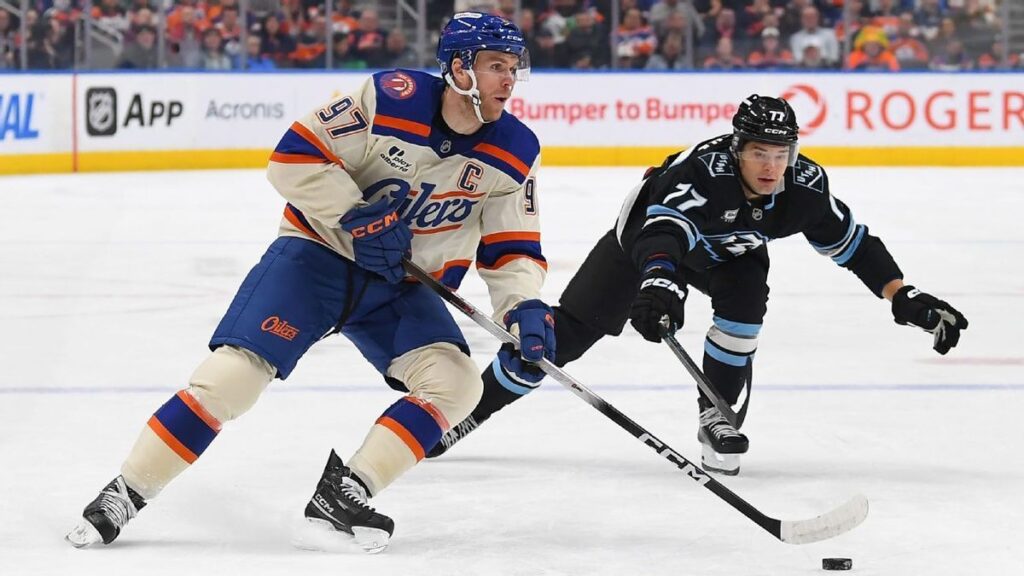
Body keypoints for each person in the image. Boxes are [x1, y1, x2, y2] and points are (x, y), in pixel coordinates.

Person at [65, 12, 553, 553]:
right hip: (317, 256)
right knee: (231, 379)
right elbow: (292, 158)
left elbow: (513, 249)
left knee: (459, 385)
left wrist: (524, 306)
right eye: (495, 67)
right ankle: (127, 490)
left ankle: (346, 491)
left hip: (399, 286)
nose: (509, 81)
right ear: (460, 68)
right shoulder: (389, 98)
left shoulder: (515, 150)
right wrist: (357, 215)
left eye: (513, 68)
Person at [429, 95, 968, 476]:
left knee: (745, 303)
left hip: (729, 256)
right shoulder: (700, 174)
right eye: (759, 151)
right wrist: (662, 283)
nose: (770, 165)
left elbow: (852, 243)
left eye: (781, 154)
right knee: (560, 340)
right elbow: (662, 233)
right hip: (640, 244)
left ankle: (716, 413)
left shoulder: (804, 188)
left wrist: (903, 294)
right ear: (737, 148)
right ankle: (468, 411)